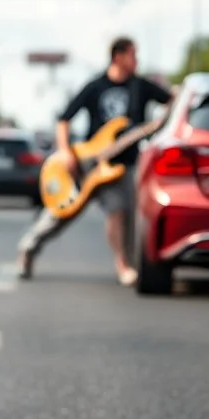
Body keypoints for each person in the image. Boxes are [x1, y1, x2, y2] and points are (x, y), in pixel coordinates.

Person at [16, 36, 172, 286]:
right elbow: (64, 119)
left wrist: (165, 119)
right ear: (118, 56)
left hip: (121, 167)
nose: (136, 60)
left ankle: (124, 265)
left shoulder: (140, 86)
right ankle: (28, 248)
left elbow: (172, 100)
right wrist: (66, 152)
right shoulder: (96, 86)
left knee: (121, 214)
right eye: (133, 55)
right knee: (60, 212)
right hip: (86, 163)